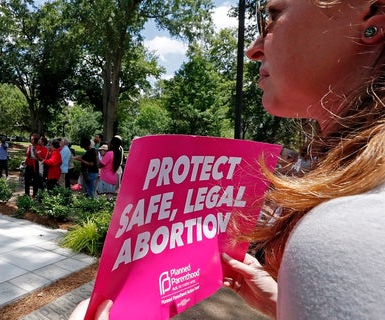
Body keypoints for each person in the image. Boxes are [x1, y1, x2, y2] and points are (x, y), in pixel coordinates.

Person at [72, 0, 385, 318]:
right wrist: (287, 306)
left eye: (271, 16)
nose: (253, 49)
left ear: (372, 20)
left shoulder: (347, 232)